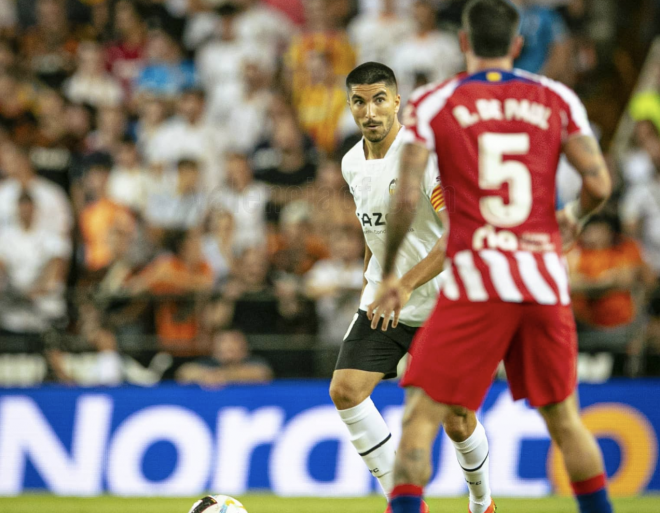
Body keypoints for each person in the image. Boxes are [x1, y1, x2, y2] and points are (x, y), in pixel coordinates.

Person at [371, 2, 614, 513]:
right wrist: (573, 218)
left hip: (475, 282)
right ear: (518, 44)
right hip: (542, 281)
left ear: (463, 42)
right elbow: (598, 184)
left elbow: (407, 195)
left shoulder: (435, 102)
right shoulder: (555, 97)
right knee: (566, 421)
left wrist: (393, 272)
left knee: (420, 419)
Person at [329, 62, 492, 513]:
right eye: (359, 101)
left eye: (380, 99)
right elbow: (373, 230)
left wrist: (402, 283)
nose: (370, 111)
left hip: (440, 302)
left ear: (397, 101)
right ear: (350, 107)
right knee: (345, 390)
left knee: (457, 420)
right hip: (385, 302)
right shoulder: (350, 162)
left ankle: (482, 504)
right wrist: (375, 280)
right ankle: (403, 504)